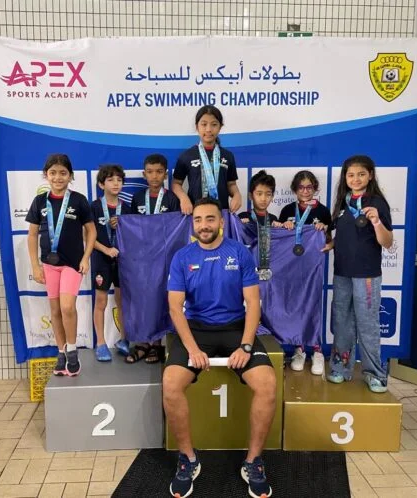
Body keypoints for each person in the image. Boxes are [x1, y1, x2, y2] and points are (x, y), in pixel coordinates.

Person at [163, 198, 276, 498]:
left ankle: (253, 462)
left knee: (267, 383)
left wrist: (246, 345)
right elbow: (175, 309)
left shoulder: (239, 253)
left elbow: (253, 303)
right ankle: (188, 459)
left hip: (235, 329)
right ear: (193, 224)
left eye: (210, 219)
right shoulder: (182, 257)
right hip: (197, 331)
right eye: (198, 220)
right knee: (171, 384)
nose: (204, 225)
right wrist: (192, 349)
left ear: (222, 222)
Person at [324, 155, 393, 393]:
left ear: (370, 175)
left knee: (367, 323)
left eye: (361, 174)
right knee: (342, 321)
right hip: (342, 272)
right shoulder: (342, 203)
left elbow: (387, 242)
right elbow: (345, 235)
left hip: (367, 275)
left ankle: (375, 374)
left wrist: (376, 222)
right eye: (351, 175)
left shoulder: (377, 203)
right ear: (345, 177)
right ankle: (340, 367)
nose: (356, 179)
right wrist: (330, 244)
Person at [26, 153, 96, 377]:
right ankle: (61, 351)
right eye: (53, 173)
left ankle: (73, 350)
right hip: (49, 265)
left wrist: (85, 258)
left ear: (70, 176)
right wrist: (35, 266)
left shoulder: (78, 200)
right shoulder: (40, 201)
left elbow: (91, 231)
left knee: (67, 307)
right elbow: (32, 235)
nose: (58, 177)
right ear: (46, 175)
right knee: (55, 310)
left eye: (63, 173)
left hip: (72, 264)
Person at [126, 153, 180, 364]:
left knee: (158, 298)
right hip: (141, 258)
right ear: (144, 174)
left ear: (165, 174)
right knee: (141, 298)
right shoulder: (138, 198)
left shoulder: (172, 199)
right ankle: (142, 341)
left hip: (163, 258)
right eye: (150, 172)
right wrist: (120, 224)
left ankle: (156, 343)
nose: (154, 176)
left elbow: (177, 228)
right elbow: (132, 227)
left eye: (159, 172)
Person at [279, 170, 332, 375]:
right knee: (296, 305)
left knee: (313, 305)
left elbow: (329, 239)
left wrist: (323, 228)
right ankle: (299, 349)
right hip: (292, 267)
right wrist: (285, 226)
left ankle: (317, 350)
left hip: (313, 266)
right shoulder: (287, 210)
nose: (305, 191)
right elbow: (281, 239)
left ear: (315, 188)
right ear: (295, 189)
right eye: (301, 187)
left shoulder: (323, 211)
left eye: (309, 187)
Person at [90, 164, 132, 362]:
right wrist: (106, 249)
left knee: (122, 301)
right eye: (110, 180)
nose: (116, 183)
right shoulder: (93, 207)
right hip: (101, 259)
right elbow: (87, 237)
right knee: (101, 301)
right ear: (101, 184)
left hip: (123, 260)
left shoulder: (127, 208)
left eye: (119, 180)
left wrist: (122, 227)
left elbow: (135, 236)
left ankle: (124, 340)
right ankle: (101, 343)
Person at [172, 105, 242, 215]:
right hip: (196, 214)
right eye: (204, 124)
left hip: (221, 214)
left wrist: (237, 195)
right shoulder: (186, 156)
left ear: (220, 127)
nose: (208, 129)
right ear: (197, 127)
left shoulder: (228, 156)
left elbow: (231, 184)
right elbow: (176, 183)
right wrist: (183, 198)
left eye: (214, 124)